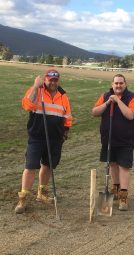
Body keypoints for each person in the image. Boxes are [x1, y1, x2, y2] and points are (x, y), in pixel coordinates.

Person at [15, 68, 72, 214]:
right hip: (37, 136)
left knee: (47, 166)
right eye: (50, 79)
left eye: (55, 80)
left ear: (58, 80)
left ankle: (42, 193)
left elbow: (67, 115)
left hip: (55, 138)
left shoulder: (63, 95)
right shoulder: (37, 91)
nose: (53, 82)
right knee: (30, 167)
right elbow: (27, 105)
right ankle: (23, 198)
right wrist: (35, 86)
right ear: (45, 79)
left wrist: (66, 130)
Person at [92, 74, 134, 211]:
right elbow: (95, 112)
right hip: (108, 139)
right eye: (116, 83)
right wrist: (108, 102)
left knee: (124, 167)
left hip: (126, 140)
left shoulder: (133, 98)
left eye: (121, 83)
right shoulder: (105, 96)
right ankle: (116, 189)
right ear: (112, 84)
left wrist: (118, 102)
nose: (118, 86)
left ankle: (123, 196)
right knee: (112, 164)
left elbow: (130, 115)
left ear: (125, 84)